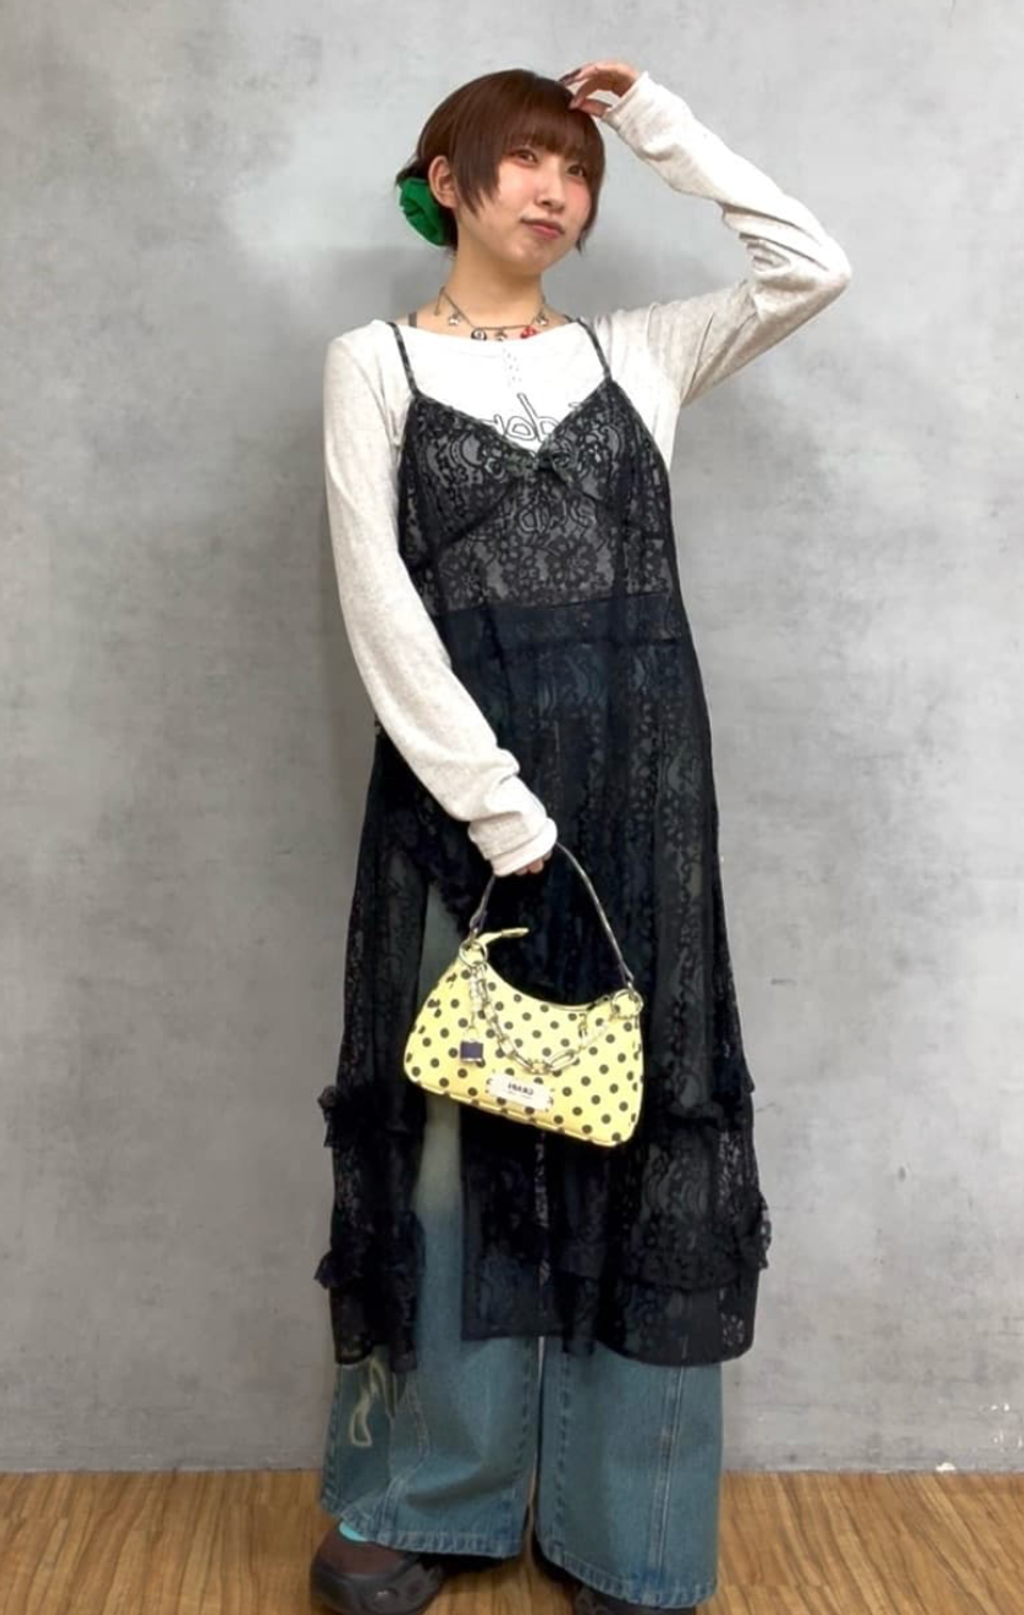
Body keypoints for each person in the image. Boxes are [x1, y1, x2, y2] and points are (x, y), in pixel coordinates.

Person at [310, 56, 851, 1615]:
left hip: (641, 805)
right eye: (526, 161)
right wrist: (501, 812)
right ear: (449, 181)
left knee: (643, 1133)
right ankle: (431, 1493)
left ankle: (631, 1522)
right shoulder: (374, 365)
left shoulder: (642, 353)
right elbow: (378, 601)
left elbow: (811, 265)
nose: (557, 190)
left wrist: (659, 126)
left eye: (578, 170)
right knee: (451, 1145)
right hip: (461, 816)